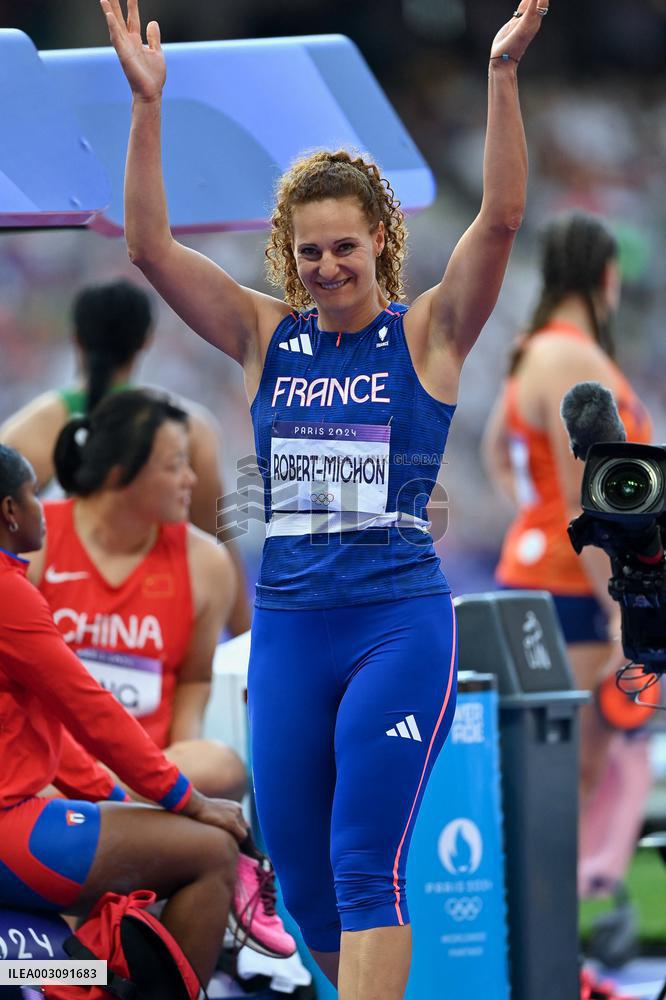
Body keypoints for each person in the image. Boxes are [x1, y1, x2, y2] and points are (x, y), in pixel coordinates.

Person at [100, 0, 548, 995]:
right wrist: (147, 105)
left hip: (396, 625)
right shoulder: (268, 337)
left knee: (364, 864)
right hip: (294, 631)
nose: (327, 266)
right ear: (288, 256)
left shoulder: (427, 334)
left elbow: (503, 218)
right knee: (303, 884)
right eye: (308, 252)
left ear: (382, 241)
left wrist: (503, 75)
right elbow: (150, 250)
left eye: (344, 247)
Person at [0, 442, 248, 989]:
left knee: (213, 777)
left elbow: (44, 730)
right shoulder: (10, 594)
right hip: (10, 828)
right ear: (10, 513)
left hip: (39, 805)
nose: (47, 508)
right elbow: (91, 711)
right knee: (212, 852)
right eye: (35, 497)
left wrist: (117, 800)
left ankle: (89, 974)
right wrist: (185, 799)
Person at [481, 212, 652, 842]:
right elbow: (591, 498)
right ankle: (545, 935)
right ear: (607, 277)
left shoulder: (531, 351)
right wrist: (619, 606)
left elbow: (497, 451)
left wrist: (533, 515)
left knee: (543, 771)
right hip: (575, 588)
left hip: (538, 574)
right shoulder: (575, 359)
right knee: (566, 772)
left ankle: (542, 929)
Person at [26, 388, 247, 803]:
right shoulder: (35, 543)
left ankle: (110, 795)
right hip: (52, 762)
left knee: (222, 767)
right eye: (176, 464)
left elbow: (194, 679)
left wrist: (180, 760)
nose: (191, 480)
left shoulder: (207, 563)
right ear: (120, 472)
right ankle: (122, 797)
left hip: (146, 767)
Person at [0, 278, 251, 636]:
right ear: (146, 340)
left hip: (58, 627)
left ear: (77, 339)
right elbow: (218, 539)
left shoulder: (29, 431)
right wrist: (244, 644)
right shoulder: (189, 429)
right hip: (150, 631)